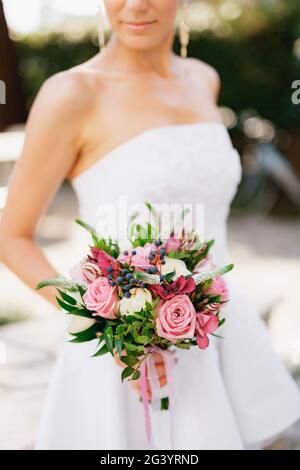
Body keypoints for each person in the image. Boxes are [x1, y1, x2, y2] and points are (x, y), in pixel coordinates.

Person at [0, 0, 299, 450]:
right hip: (128, 356)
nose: (136, 5)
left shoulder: (203, 78)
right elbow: (11, 235)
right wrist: (103, 322)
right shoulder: (72, 93)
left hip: (223, 335)